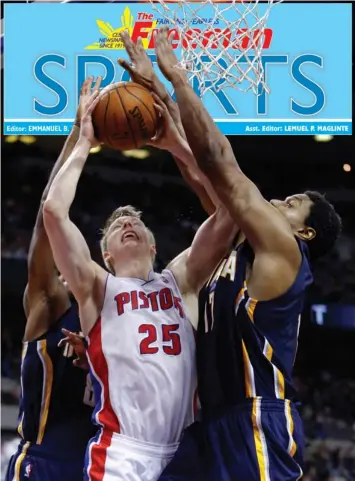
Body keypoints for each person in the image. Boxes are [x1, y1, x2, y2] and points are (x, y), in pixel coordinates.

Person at [148, 28, 342, 481]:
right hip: (209, 422)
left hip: (254, 419)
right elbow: (206, 181)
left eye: (291, 204)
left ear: (305, 231)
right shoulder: (243, 247)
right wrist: (166, 115)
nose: (277, 201)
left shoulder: (285, 251)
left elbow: (219, 161)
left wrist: (176, 76)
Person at [42, 87, 235, 481]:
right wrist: (83, 142)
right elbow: (53, 212)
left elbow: (230, 214)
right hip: (124, 451)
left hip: (186, 449)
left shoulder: (180, 281)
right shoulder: (97, 286)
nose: (128, 224)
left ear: (152, 243)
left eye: (135, 223)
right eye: (116, 227)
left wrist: (177, 145)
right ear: (106, 256)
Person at [5, 78, 101, 481]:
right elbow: (48, 220)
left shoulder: (124, 318)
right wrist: (79, 133)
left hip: (106, 463)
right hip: (45, 463)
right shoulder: (51, 304)